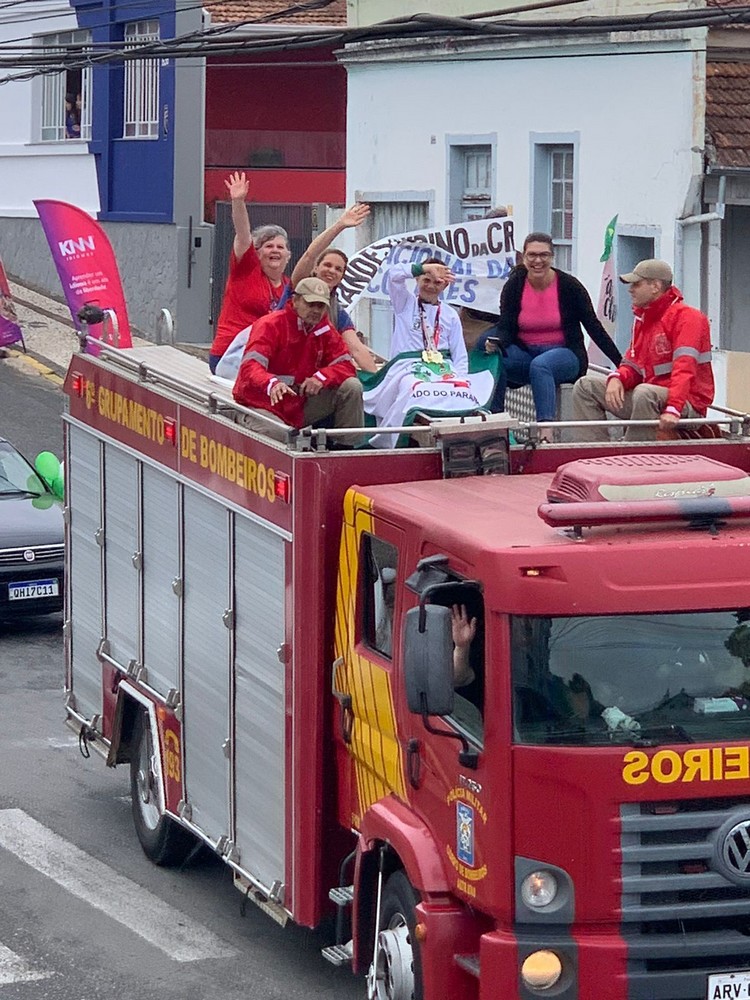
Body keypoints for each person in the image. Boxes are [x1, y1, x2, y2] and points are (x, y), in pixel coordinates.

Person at [479, 232, 622, 424]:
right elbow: (506, 327)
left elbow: (593, 327)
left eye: (544, 255)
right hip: (526, 354)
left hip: (565, 354)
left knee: (541, 365)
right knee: (496, 358)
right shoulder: (514, 285)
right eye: (532, 255)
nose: (538, 260)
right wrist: (496, 343)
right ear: (524, 257)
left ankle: (545, 430)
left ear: (552, 257)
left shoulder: (570, 286)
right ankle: (495, 422)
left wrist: (621, 365)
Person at [571, 259, 714, 441]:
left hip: (687, 403)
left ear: (655, 286)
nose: (630, 290)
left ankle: (634, 454)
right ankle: (594, 453)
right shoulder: (644, 318)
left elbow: (685, 369)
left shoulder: (688, 318)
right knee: (586, 386)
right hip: (650, 399)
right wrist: (618, 378)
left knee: (644, 393)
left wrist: (674, 408)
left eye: (636, 284)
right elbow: (634, 365)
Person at [232, 276, 363, 439]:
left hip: (297, 404)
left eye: (321, 305)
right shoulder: (271, 325)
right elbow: (250, 366)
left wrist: (321, 378)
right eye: (311, 304)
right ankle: (241, 419)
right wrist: (271, 383)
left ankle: (345, 450)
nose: (316, 310)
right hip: (262, 403)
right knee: (278, 434)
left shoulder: (324, 329)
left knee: (352, 387)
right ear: (295, 300)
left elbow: (346, 365)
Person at [209, 172, 292, 373]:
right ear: (256, 253)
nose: (274, 250)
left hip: (264, 358)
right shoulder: (246, 271)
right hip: (230, 356)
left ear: (288, 255)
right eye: (268, 246)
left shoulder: (289, 286)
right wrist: (238, 202)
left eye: (280, 247)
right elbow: (243, 235)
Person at [291, 203, 377, 373]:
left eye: (338, 269)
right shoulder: (298, 288)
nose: (331, 271)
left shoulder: (337, 312)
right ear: (315, 268)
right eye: (327, 265)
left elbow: (357, 349)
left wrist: (380, 383)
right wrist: (340, 225)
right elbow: (310, 255)